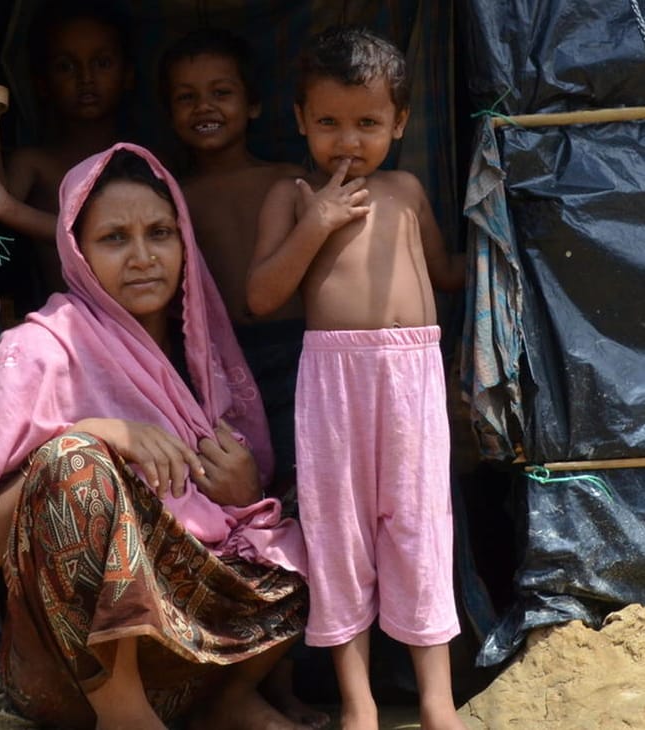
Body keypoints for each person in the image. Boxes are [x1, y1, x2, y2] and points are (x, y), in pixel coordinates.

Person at [0, 144, 310, 730]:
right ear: (76, 252)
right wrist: (93, 433)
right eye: (114, 239)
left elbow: (242, 529)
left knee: (325, 506)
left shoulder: (203, 365)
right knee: (73, 463)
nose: (143, 257)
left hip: (196, 662)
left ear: (185, 243)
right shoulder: (39, 355)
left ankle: (227, 700)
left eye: (160, 232)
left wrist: (243, 494)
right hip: (69, 676)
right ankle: (126, 715)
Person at [247, 26, 467, 730]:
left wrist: (508, 232)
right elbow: (260, 296)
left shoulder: (406, 190)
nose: (347, 141)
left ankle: (435, 701)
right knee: (338, 534)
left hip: (411, 375)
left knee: (417, 524)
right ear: (299, 122)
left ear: (398, 123)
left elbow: (445, 274)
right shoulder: (291, 195)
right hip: (333, 385)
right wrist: (314, 223)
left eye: (367, 123)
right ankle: (358, 704)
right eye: (329, 123)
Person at [160, 28, 327, 729]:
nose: (205, 107)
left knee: (305, 511)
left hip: (294, 360)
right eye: (186, 97)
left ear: (255, 104)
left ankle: (292, 681)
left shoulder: (285, 184)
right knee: (247, 525)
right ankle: (259, 683)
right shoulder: (169, 195)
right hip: (213, 374)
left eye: (221, 93)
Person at [0, 0, 136, 308]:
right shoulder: (34, 163)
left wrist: (13, 211)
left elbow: (5, 207)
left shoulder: (143, 161)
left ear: (128, 75)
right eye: (66, 66)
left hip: (141, 327)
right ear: (42, 84)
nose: (86, 77)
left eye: (102, 62)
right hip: (66, 332)